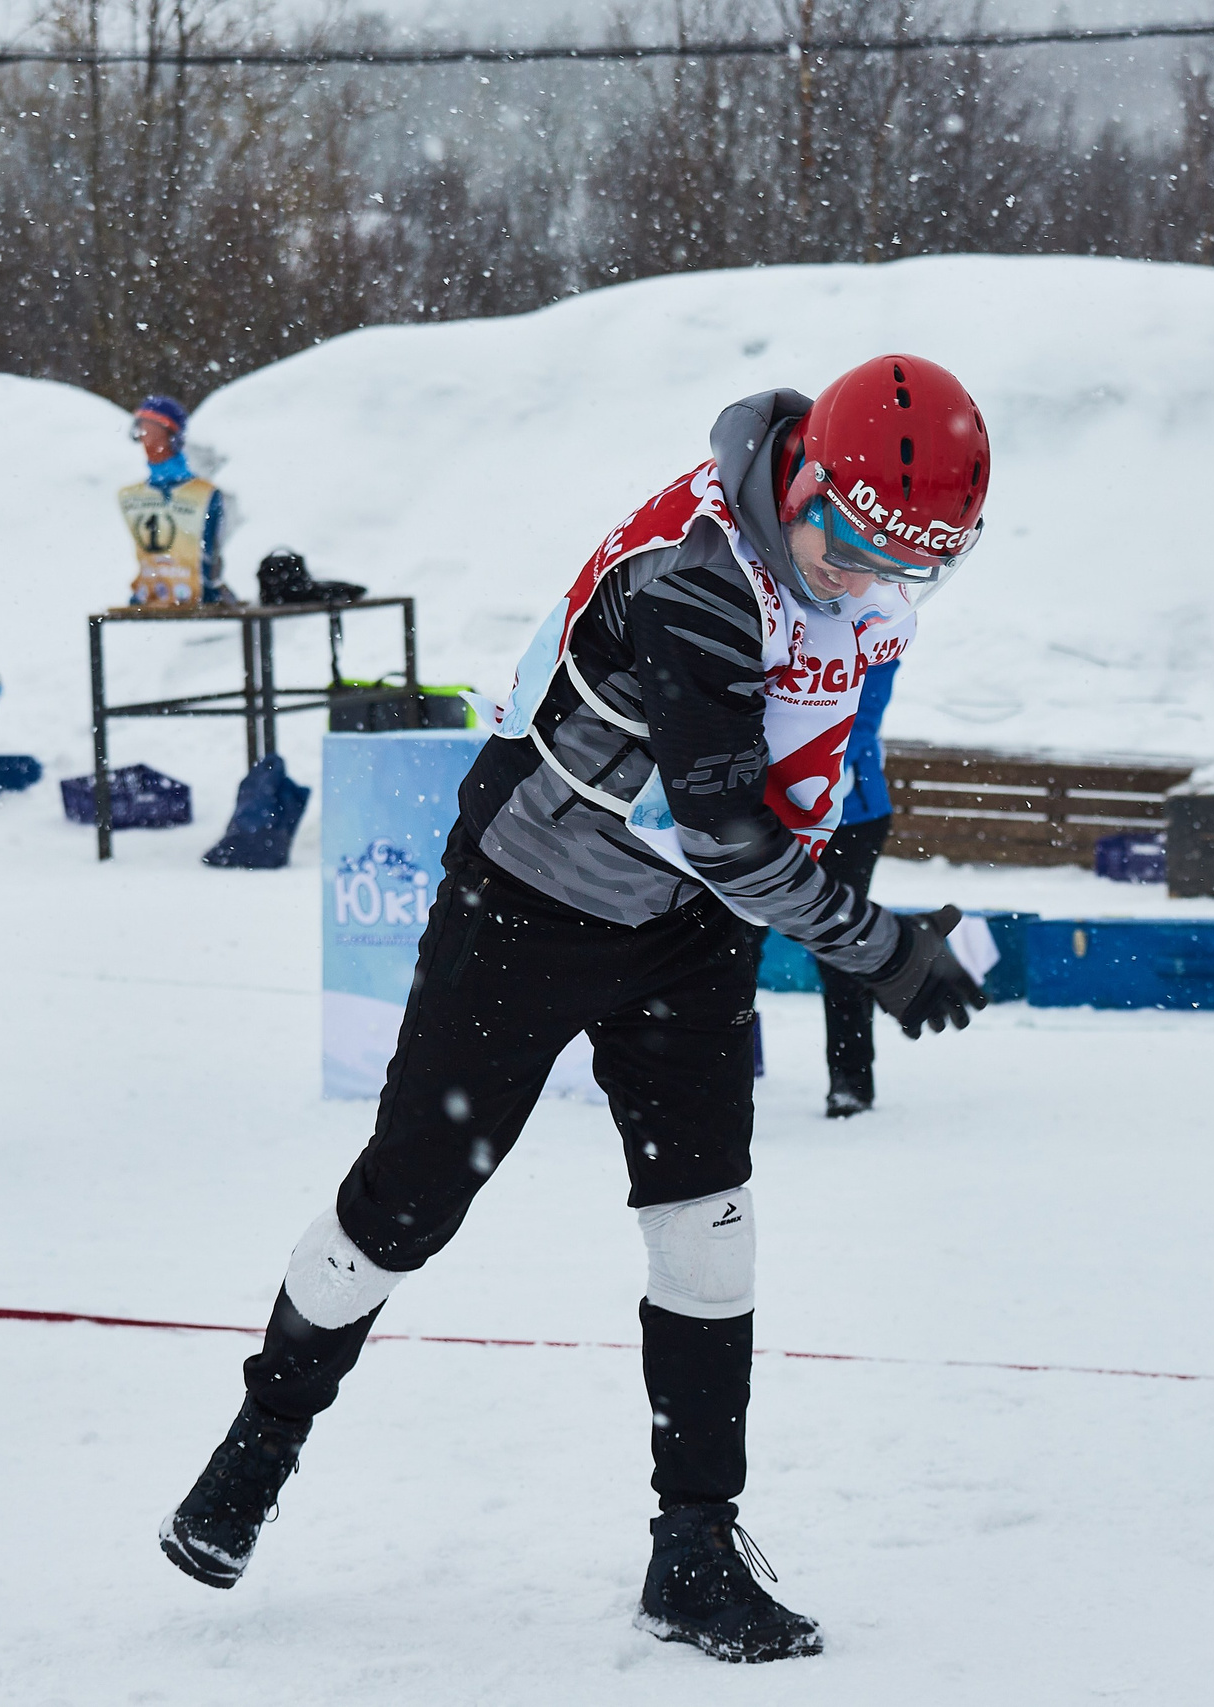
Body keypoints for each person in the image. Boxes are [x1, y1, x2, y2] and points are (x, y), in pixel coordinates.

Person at [157, 355, 994, 1661]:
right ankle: (261, 1437)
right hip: (532, 904)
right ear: (806, 481)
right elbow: (724, 825)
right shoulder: (701, 573)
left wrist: (842, 879)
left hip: (688, 928)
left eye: (906, 565)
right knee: (405, 1202)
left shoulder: (848, 565)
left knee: (708, 1224)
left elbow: (778, 783)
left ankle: (694, 1548)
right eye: (845, 541)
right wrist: (875, 944)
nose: (863, 577)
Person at [815, 655, 899, 1118]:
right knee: (738, 944)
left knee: (841, 943)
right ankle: (726, 1068)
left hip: (852, 814)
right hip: (770, 811)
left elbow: (856, 718)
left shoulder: (875, 620)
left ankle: (851, 1079)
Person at [117, 394, 232, 606]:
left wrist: (207, 586)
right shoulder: (129, 496)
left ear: (171, 434)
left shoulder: (204, 494)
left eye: (151, 428)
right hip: (150, 598)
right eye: (141, 428)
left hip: (197, 597)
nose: (144, 436)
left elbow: (209, 553)